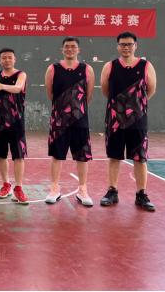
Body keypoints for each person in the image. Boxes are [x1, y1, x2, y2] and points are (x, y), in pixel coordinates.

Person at [100, 31, 157, 211]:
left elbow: (151, 90)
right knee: (114, 156)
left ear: (135, 46)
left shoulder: (146, 66)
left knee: (140, 158)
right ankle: (112, 191)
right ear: (118, 47)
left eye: (129, 44)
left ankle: (141, 194)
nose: (126, 47)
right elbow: (106, 91)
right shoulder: (109, 66)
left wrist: (135, 106)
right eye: (123, 44)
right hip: (115, 120)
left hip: (138, 120)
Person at [44, 37, 95, 206]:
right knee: (57, 155)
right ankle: (55, 189)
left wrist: (76, 110)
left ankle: (82, 190)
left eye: (73, 47)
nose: (70, 49)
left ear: (79, 49)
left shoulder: (87, 69)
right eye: (67, 47)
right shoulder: (53, 69)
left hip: (80, 121)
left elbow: (88, 96)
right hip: (58, 121)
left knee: (82, 157)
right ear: (62, 49)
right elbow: (51, 94)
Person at [0, 48, 29, 205]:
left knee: (19, 156)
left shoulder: (21, 74)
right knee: (1, 155)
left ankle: (18, 188)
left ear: (14, 59)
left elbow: (18, 88)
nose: (7, 60)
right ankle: (6, 184)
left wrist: (2, 86)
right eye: (4, 58)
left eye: (10, 57)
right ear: (0, 60)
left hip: (16, 121)